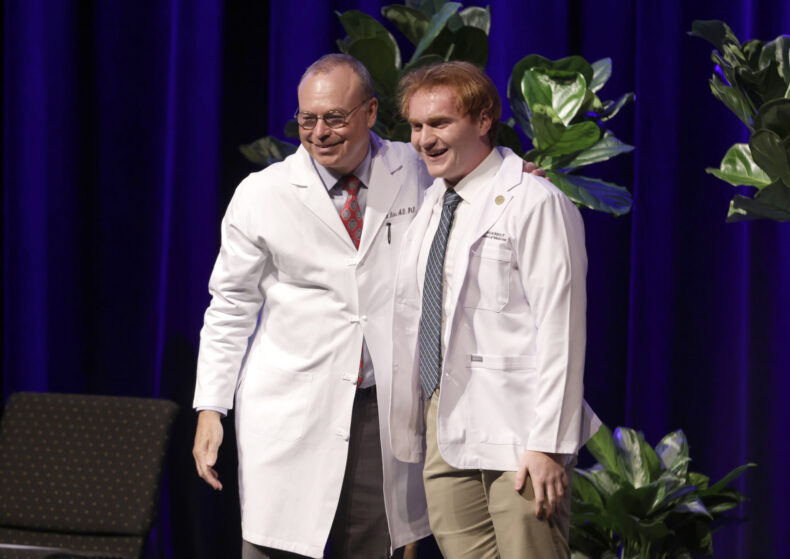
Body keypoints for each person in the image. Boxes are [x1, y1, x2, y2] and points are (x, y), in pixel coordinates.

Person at [191, 54, 432, 559]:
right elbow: (231, 306)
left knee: (373, 544)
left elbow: (475, 186)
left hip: (379, 407)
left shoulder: (415, 168)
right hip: (290, 405)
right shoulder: (262, 193)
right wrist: (211, 408)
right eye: (308, 119)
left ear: (369, 112)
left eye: (335, 118)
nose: (319, 132)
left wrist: (516, 178)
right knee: (281, 544)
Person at [389, 61, 601, 558]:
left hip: (519, 428)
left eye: (440, 124)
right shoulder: (432, 204)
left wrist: (547, 443)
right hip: (445, 418)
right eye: (417, 126)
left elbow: (562, 331)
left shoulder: (535, 201)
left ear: (484, 120)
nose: (424, 139)